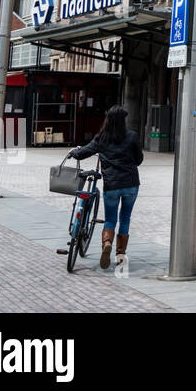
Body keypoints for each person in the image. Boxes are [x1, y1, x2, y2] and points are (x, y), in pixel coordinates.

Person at [69, 105, 143, 269]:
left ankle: (107, 243)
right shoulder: (132, 136)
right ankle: (120, 255)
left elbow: (83, 153)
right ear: (123, 120)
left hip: (111, 186)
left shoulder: (101, 137)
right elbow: (139, 160)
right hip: (131, 184)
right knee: (125, 218)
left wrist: (74, 152)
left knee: (110, 219)